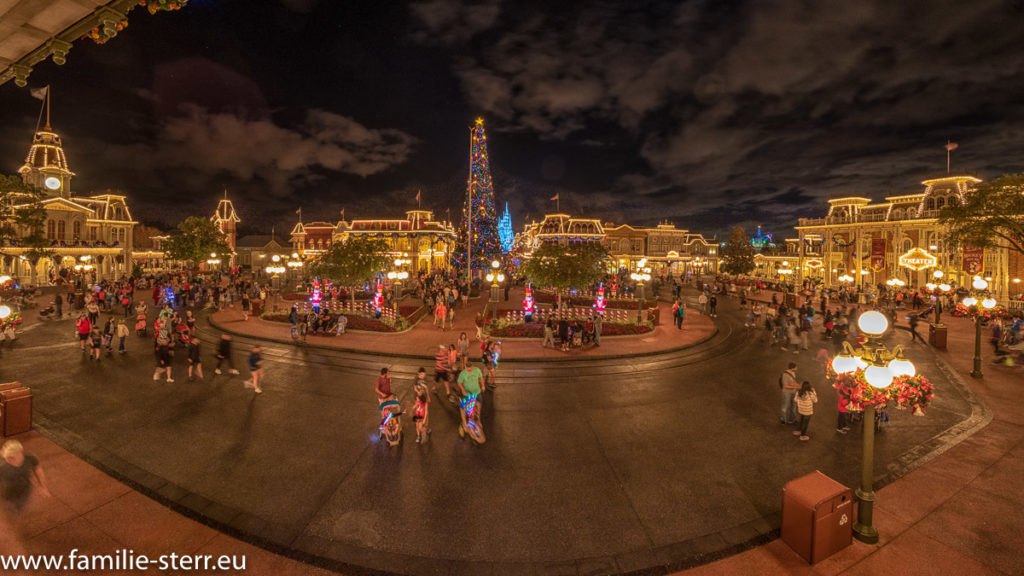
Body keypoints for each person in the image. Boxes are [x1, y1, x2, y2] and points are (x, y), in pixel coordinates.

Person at [0, 440, 51, 513]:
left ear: (20, 453)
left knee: (20, 505)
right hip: (7, 490)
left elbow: (38, 470)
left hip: (24, 490)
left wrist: (43, 487)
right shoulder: (2, 466)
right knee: (6, 505)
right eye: (6, 457)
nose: (8, 460)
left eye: (11, 457)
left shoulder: (30, 459)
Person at [413, 368, 430, 443]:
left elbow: (426, 388)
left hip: (424, 398)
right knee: (417, 424)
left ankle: (425, 428)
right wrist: (418, 393)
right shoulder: (416, 380)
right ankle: (419, 435)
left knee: (425, 414)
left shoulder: (425, 380)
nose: (424, 375)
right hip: (418, 397)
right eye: (422, 374)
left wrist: (428, 396)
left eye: (424, 374)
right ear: (419, 374)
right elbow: (415, 388)